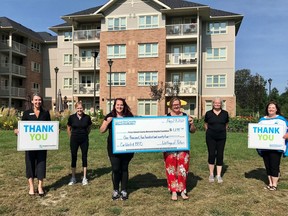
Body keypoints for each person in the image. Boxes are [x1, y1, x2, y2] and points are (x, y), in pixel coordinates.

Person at [14, 93, 51, 196]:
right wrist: (17, 131)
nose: (37, 102)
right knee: (29, 164)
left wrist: (55, 132)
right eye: (36, 100)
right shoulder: (26, 113)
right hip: (29, 145)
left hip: (42, 144)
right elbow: (22, 128)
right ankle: (31, 186)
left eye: (39, 100)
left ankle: (40, 186)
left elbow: (49, 128)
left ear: (41, 101)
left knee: (41, 164)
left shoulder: (45, 113)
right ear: (32, 101)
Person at [100, 98, 134, 200]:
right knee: (115, 169)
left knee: (124, 168)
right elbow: (101, 130)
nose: (119, 107)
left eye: (121, 105)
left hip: (127, 147)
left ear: (124, 106)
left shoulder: (129, 116)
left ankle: (123, 190)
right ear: (114, 106)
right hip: (113, 148)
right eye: (118, 105)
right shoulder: (110, 116)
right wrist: (107, 122)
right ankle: (115, 190)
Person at [164, 97, 196, 201]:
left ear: (180, 105)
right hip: (169, 147)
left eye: (178, 104)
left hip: (183, 147)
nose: (176, 106)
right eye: (174, 105)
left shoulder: (186, 117)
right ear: (171, 106)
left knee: (183, 168)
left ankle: (182, 190)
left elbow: (193, 131)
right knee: (171, 168)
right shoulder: (166, 117)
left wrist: (191, 123)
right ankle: (174, 191)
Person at [257, 101, 288, 191]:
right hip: (265, 147)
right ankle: (270, 183)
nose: (271, 109)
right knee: (267, 165)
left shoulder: (282, 120)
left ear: (276, 109)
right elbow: (256, 131)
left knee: (274, 165)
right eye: (269, 107)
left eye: (273, 107)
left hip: (276, 147)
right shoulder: (262, 120)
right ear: (267, 109)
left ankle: (274, 185)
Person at [204, 97, 229, 183]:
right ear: (213, 104)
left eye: (219, 103)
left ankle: (218, 175)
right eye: (215, 103)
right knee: (211, 154)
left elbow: (226, 124)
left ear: (221, 104)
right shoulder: (208, 113)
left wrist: (221, 131)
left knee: (220, 154)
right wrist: (210, 132)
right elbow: (206, 124)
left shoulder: (225, 113)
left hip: (221, 137)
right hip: (210, 137)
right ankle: (211, 174)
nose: (217, 104)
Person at [67, 101, 92, 186]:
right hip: (74, 139)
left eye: (81, 108)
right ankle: (73, 177)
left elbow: (89, 127)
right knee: (73, 157)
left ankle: (84, 177)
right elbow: (68, 127)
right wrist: (71, 136)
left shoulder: (87, 117)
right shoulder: (71, 117)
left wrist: (85, 134)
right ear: (75, 108)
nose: (79, 110)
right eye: (78, 108)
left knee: (84, 156)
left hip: (84, 139)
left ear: (83, 109)